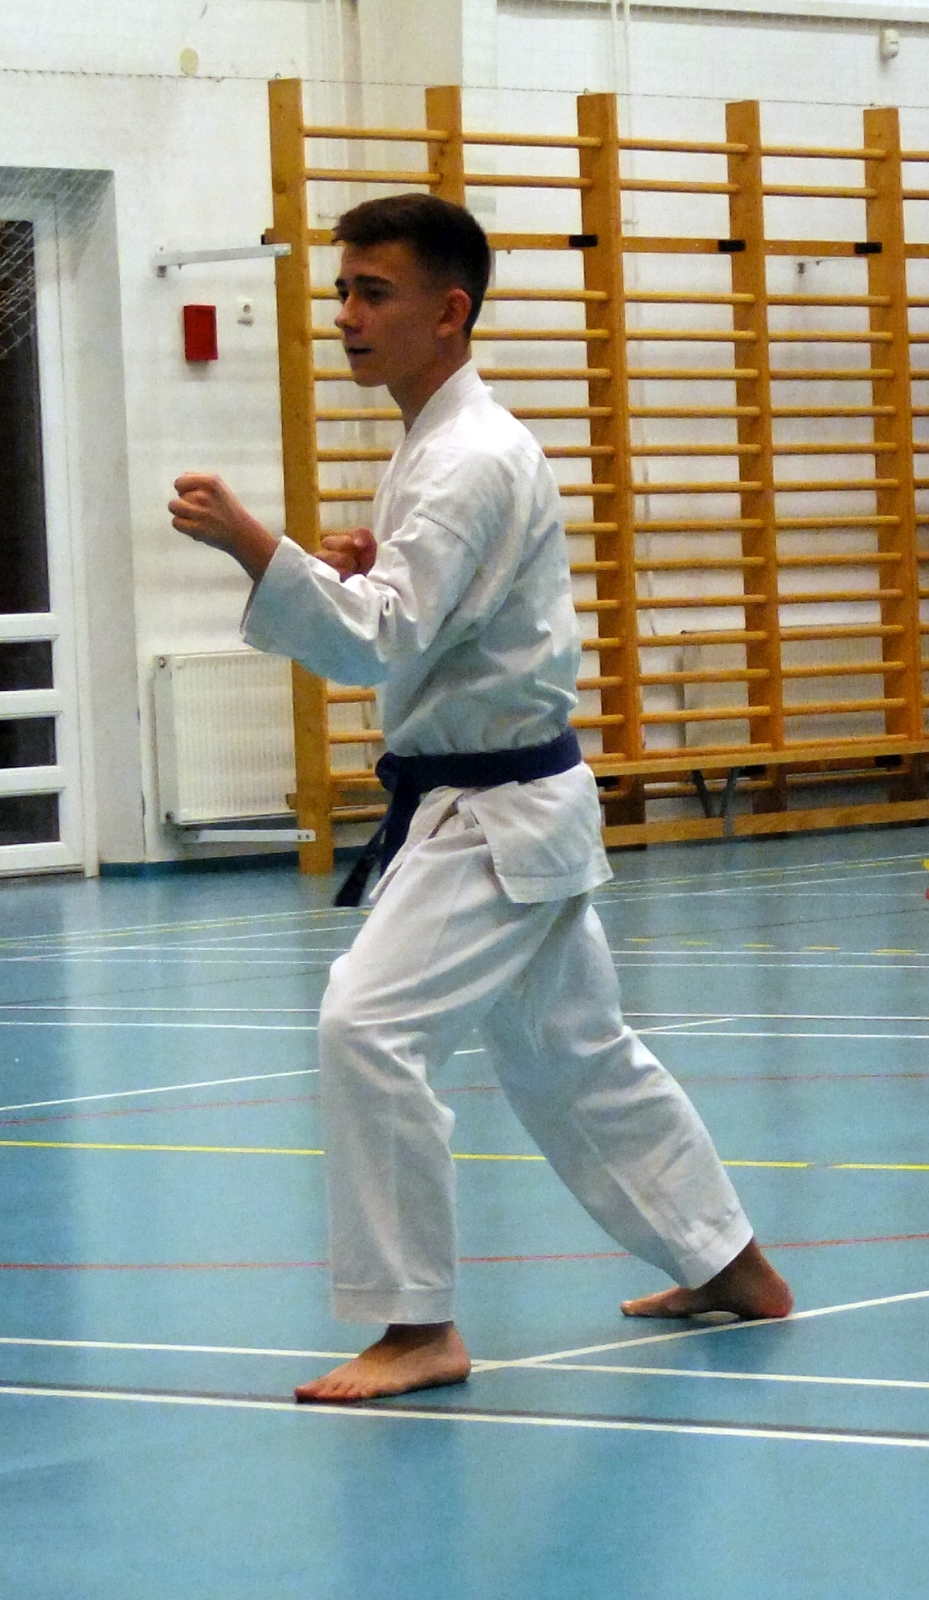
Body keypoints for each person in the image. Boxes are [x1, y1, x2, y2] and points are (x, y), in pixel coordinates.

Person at [169, 193, 792, 1405]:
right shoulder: (440, 444)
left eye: (373, 293)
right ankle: (733, 1267)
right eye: (341, 292)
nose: (346, 316)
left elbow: (377, 637)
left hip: (492, 815)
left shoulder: (465, 457)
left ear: (448, 312)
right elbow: (420, 613)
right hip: (505, 805)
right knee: (576, 1055)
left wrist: (258, 545)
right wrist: (357, 568)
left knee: (366, 1027)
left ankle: (417, 1324)